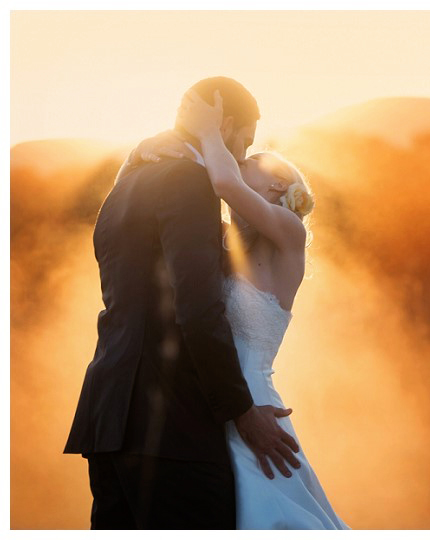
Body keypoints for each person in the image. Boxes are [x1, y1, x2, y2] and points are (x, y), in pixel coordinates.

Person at [64, 77, 304, 529]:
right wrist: (241, 411)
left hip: (108, 416)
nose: (240, 157)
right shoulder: (190, 184)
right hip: (173, 427)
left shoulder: (125, 187)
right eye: (245, 142)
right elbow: (196, 309)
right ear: (225, 124)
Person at [111, 89, 350, 529]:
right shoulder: (226, 243)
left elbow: (222, 182)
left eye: (249, 163)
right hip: (211, 403)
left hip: (252, 403)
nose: (238, 162)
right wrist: (141, 155)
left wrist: (205, 132)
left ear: (278, 186)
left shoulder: (289, 231)